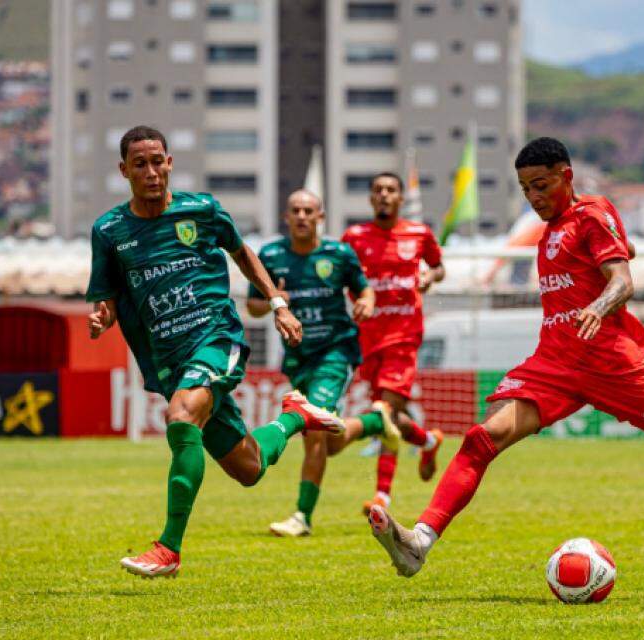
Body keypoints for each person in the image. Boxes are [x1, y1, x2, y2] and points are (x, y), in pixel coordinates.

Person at [364, 137, 644, 578]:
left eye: (541, 185)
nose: (533, 197)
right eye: (525, 188)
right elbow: (617, 251)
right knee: (480, 438)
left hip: (612, 363)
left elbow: (623, 280)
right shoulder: (553, 231)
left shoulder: (592, 211)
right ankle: (419, 541)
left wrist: (598, 305)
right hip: (555, 363)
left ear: (566, 175)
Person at [87, 125, 345, 578]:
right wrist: (102, 316)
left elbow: (243, 254)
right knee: (248, 467)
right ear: (123, 170)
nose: (151, 172)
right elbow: (106, 296)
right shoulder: (109, 231)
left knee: (182, 415)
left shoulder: (201, 211)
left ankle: (168, 549)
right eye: (140, 164)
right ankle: (296, 416)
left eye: (158, 161)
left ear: (170, 163)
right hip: (168, 358)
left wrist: (279, 305)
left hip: (214, 338)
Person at [247, 189, 402, 537]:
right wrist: (275, 301)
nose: (302, 216)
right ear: (286, 218)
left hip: (336, 351)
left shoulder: (338, 253)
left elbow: (365, 290)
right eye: (295, 211)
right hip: (298, 356)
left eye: (308, 211)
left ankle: (302, 515)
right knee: (327, 441)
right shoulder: (270, 255)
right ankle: (375, 421)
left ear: (320, 217)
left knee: (313, 431)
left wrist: (365, 303)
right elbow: (253, 306)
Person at [341, 173, 446, 510]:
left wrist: (431, 275)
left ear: (401, 198)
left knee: (382, 412)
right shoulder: (354, 237)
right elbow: (340, 275)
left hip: (404, 335)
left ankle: (382, 496)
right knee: (391, 416)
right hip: (368, 337)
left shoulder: (419, 233)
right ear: (371, 199)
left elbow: (438, 266)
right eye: (378, 190)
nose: (384, 195)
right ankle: (428, 441)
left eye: (390, 190)